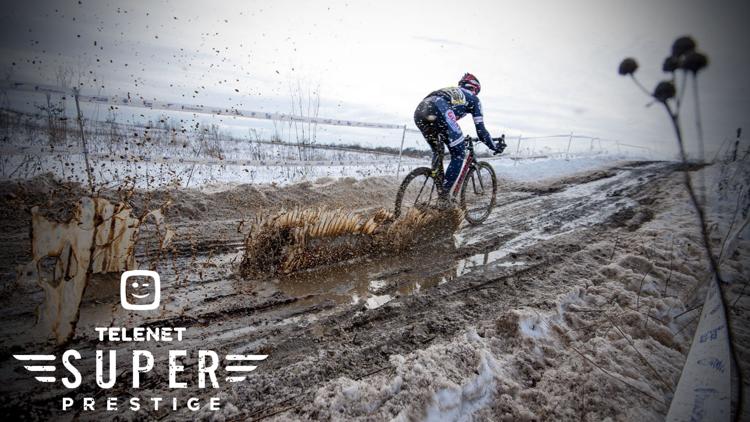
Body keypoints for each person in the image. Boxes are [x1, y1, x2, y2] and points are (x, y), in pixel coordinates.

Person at [413, 73, 505, 200]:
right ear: (475, 89)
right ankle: (443, 198)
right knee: (459, 153)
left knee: (438, 150)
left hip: (420, 111)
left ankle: (438, 183)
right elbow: (481, 131)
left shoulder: (452, 91)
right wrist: (494, 146)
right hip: (439, 109)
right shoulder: (474, 99)